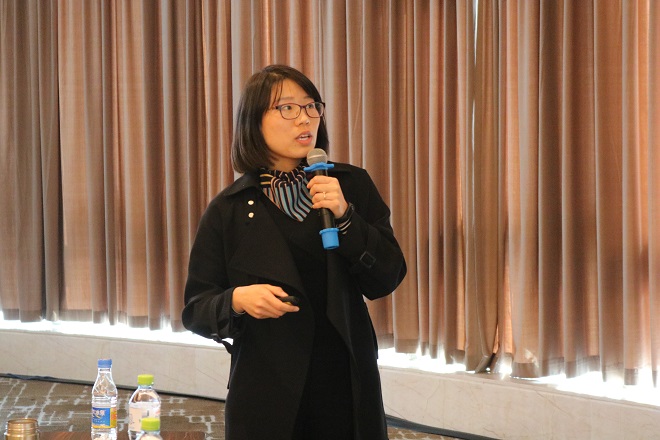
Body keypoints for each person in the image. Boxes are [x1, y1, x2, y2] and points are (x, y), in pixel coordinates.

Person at [182, 64, 407, 440]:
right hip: (266, 386)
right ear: (254, 122)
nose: (305, 119)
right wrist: (237, 300)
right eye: (287, 108)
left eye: (311, 106)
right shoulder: (229, 209)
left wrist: (346, 217)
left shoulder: (350, 184)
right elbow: (196, 310)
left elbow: (387, 276)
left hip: (345, 378)